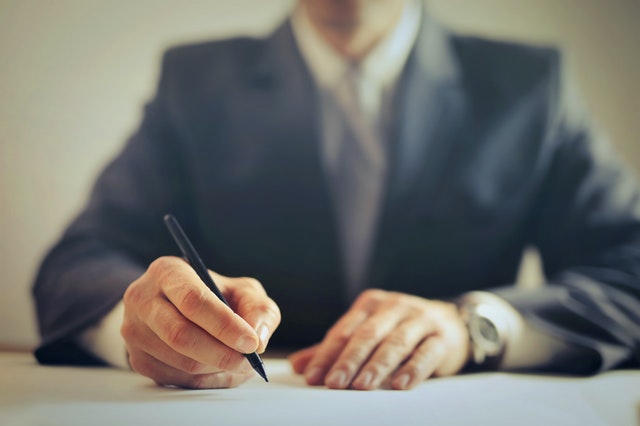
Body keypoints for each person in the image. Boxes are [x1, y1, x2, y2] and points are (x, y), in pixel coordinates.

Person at [33, 0, 640, 390]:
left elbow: (629, 270)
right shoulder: (196, 82)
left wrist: (476, 327)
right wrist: (149, 325)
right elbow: (75, 266)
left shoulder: (528, 85)